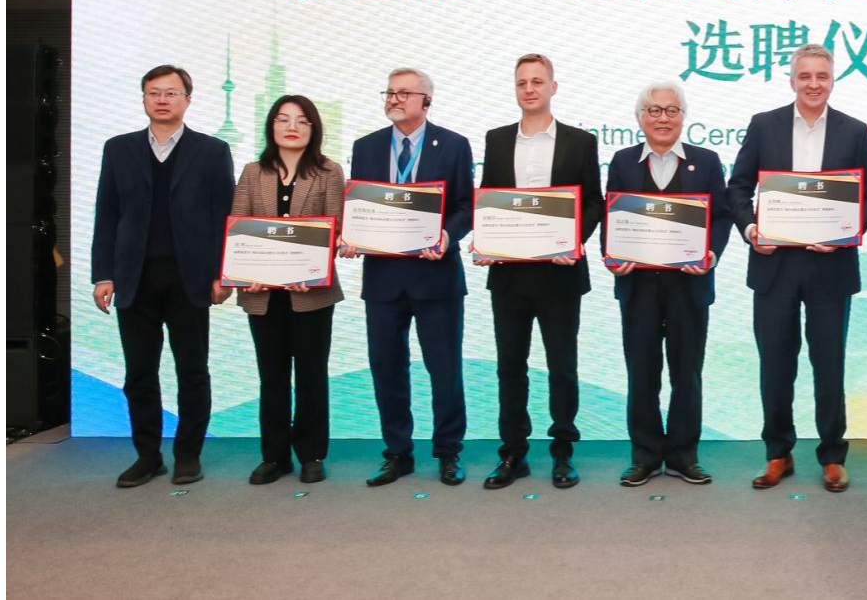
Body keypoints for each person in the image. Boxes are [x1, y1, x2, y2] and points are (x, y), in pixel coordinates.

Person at [728, 43, 867, 493]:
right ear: (792, 79)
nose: (814, 84)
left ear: (833, 80)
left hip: (830, 267)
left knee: (828, 365)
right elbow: (738, 187)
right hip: (774, 265)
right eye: (805, 76)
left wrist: (847, 230)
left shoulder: (854, 130)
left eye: (822, 76)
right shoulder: (764, 125)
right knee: (775, 364)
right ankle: (778, 452)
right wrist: (752, 230)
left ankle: (832, 456)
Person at [91, 65, 234, 488]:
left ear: (188, 99)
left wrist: (223, 273)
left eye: (171, 92)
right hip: (134, 277)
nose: (162, 100)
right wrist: (103, 274)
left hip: (191, 277)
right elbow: (107, 213)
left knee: (192, 370)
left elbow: (224, 217)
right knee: (139, 372)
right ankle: (148, 456)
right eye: (154, 92)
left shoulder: (212, 150)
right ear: (143, 98)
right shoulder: (118, 149)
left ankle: (188, 455)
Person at [477, 53, 602, 491]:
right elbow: (489, 198)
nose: (529, 89)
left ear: (553, 87)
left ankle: (563, 452)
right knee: (510, 367)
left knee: (562, 368)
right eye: (521, 83)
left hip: (560, 274)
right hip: (509, 275)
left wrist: (574, 240)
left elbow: (593, 202)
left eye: (536, 81)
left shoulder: (580, 141)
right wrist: (485, 240)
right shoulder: (496, 139)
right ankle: (513, 454)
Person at [347, 67, 475, 487]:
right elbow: (360, 207)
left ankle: (448, 451)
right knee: (386, 368)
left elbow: (465, 206)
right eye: (390, 92)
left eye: (404, 93)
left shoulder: (453, 145)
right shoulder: (365, 147)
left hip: (436, 277)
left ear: (427, 101)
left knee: (444, 369)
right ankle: (397, 452)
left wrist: (447, 236)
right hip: (383, 278)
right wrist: (352, 235)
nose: (394, 99)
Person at [602, 82, 732, 486]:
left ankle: (682, 456)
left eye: (671, 110)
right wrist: (612, 256)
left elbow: (721, 217)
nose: (663, 118)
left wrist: (710, 255)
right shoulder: (623, 161)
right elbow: (611, 217)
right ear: (640, 117)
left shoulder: (706, 161)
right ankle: (644, 455)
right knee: (641, 372)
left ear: (683, 117)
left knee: (687, 373)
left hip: (688, 287)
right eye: (654, 110)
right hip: (638, 286)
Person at [227, 95, 345, 485]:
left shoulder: (329, 172)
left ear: (314, 128)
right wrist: (245, 272)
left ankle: (311, 454)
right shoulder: (252, 172)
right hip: (262, 293)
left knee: (312, 375)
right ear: (271, 126)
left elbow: (336, 228)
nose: (291, 127)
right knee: (272, 376)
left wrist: (313, 267)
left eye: (301, 120)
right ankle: (274, 456)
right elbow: (239, 227)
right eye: (283, 119)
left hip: (312, 293)